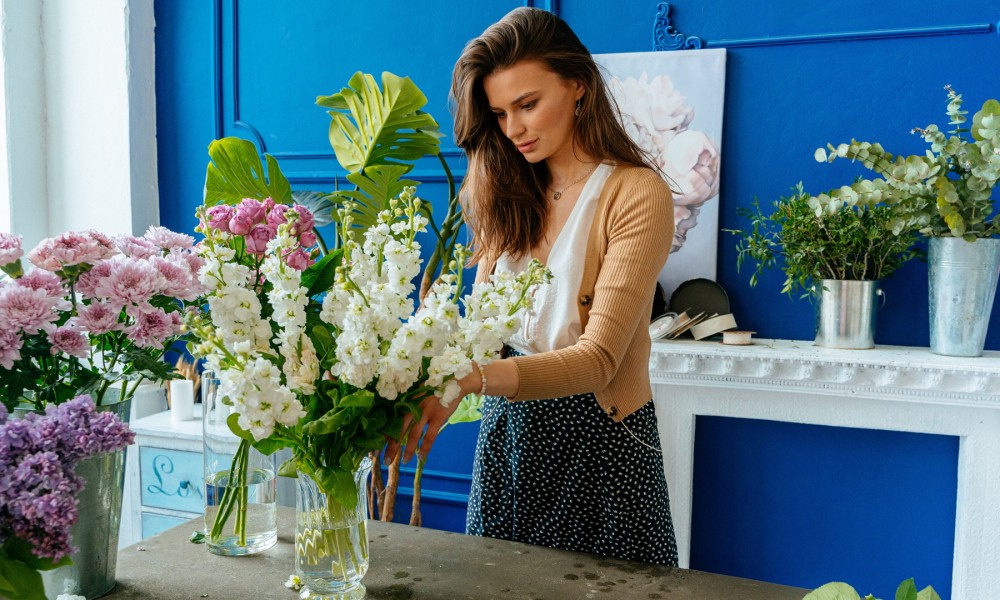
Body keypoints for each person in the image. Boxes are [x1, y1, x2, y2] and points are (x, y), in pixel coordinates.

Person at [386, 6, 678, 566]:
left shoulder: (636, 194)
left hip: (602, 450)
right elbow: (483, 335)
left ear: (578, 85)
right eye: (499, 113)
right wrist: (422, 383)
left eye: (527, 104)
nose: (513, 129)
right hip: (508, 444)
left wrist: (471, 380)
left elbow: (599, 361)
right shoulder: (505, 193)